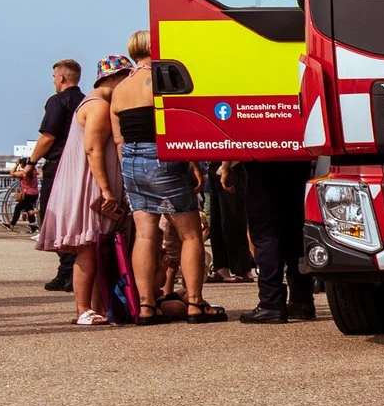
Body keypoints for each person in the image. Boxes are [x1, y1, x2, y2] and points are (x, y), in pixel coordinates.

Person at [111, 31, 222, 322]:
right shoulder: (161, 81)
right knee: (190, 234)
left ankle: (147, 305)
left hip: (132, 162)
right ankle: (195, 303)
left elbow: (118, 139)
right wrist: (194, 164)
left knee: (145, 235)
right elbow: (178, 125)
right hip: (163, 156)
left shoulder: (120, 89)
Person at [37, 56, 128, 325]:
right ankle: (83, 309)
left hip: (88, 182)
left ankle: (95, 308)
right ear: (113, 79)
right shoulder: (98, 106)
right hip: (92, 184)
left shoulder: (93, 103)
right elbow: (93, 150)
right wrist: (107, 191)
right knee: (88, 248)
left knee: (95, 249)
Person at [236, 154, 315, 323]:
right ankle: (301, 299)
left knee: (265, 233)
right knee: (294, 230)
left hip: (261, 159)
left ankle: (271, 302)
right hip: (295, 155)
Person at [30, 60, 87, 292]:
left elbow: (48, 136)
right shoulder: (86, 101)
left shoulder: (57, 101)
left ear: (62, 78)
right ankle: (74, 270)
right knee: (74, 216)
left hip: (58, 165)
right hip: (82, 165)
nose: (54, 80)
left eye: (55, 76)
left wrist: (31, 162)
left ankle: (66, 270)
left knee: (52, 215)